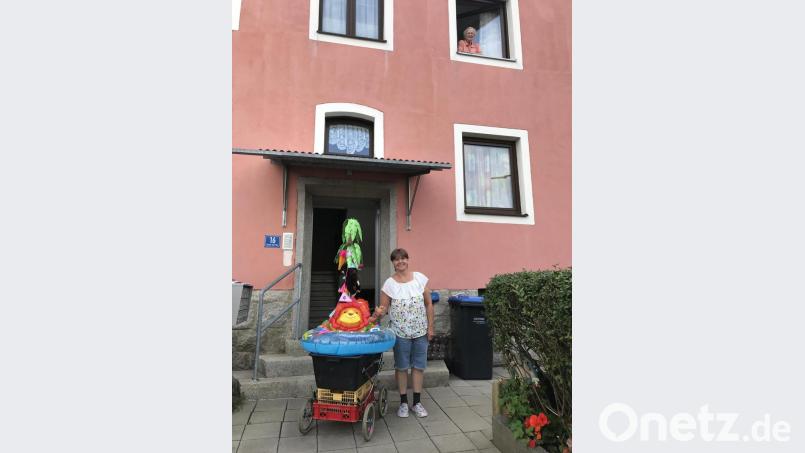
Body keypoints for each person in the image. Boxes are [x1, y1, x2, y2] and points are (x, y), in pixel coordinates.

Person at [369, 248, 434, 418]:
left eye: (403, 258)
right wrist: (376, 314)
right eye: (396, 260)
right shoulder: (389, 284)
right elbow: (383, 309)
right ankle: (404, 403)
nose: (400, 262)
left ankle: (417, 403)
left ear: (408, 260)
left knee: (419, 367)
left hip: (420, 331)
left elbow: (428, 304)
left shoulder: (419, 278)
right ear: (393, 263)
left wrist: (431, 328)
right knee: (402, 368)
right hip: (400, 333)